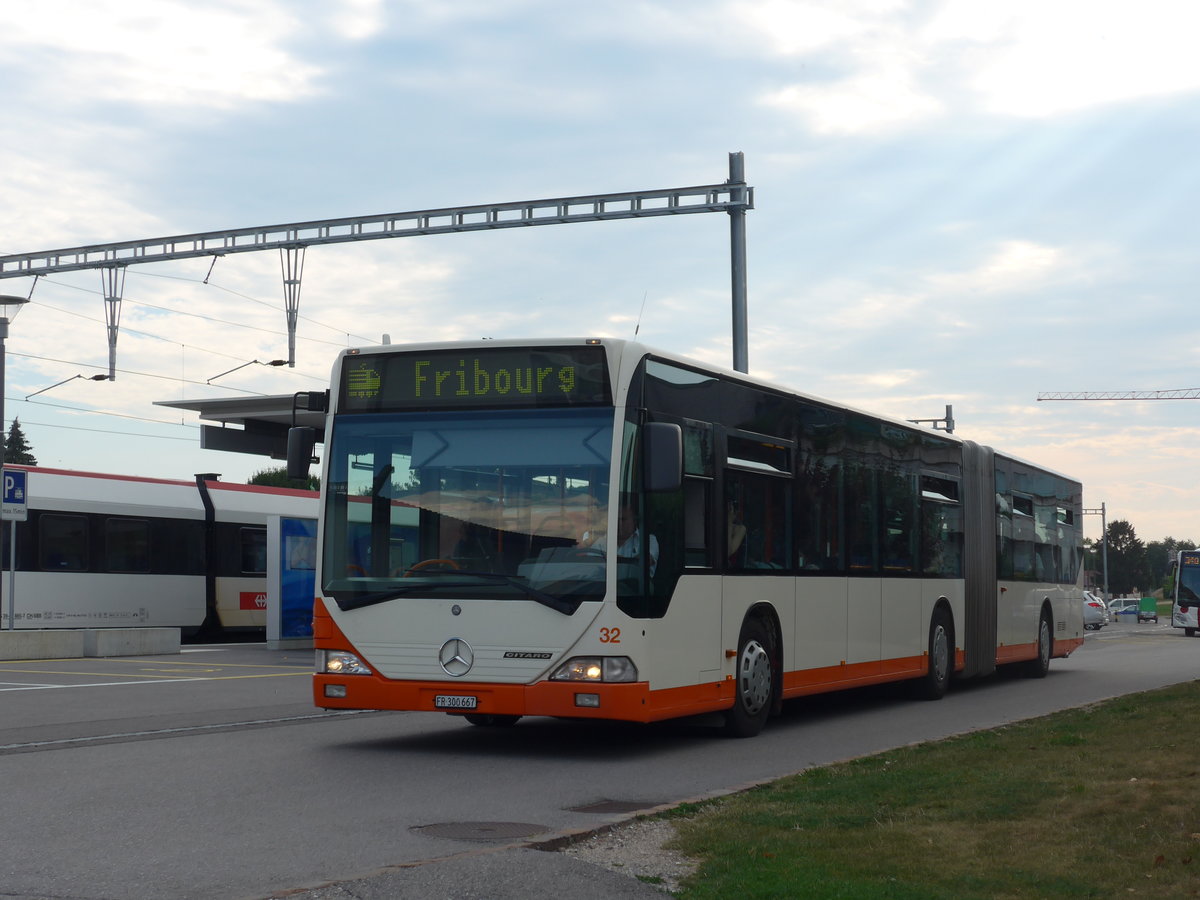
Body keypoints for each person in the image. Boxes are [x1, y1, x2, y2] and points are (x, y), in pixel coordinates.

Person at [590, 501, 658, 576]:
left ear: (634, 521)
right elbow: (590, 564)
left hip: (637, 585)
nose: (618, 523)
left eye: (623, 519)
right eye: (616, 519)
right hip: (606, 585)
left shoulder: (648, 539)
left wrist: (608, 559)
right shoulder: (602, 541)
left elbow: (646, 560)